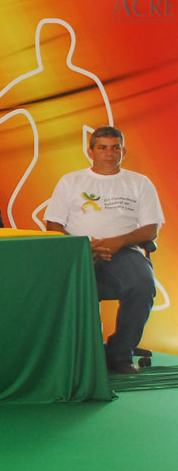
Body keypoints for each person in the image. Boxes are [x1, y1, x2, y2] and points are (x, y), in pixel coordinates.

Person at [44, 126, 164, 375]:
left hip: (123, 252)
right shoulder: (71, 181)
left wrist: (116, 242)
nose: (109, 153)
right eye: (102, 148)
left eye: (115, 148)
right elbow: (53, 224)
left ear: (123, 151)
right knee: (52, 287)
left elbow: (150, 230)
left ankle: (119, 354)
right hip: (77, 252)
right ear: (90, 151)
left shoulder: (139, 183)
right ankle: (71, 356)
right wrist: (84, 247)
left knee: (143, 285)